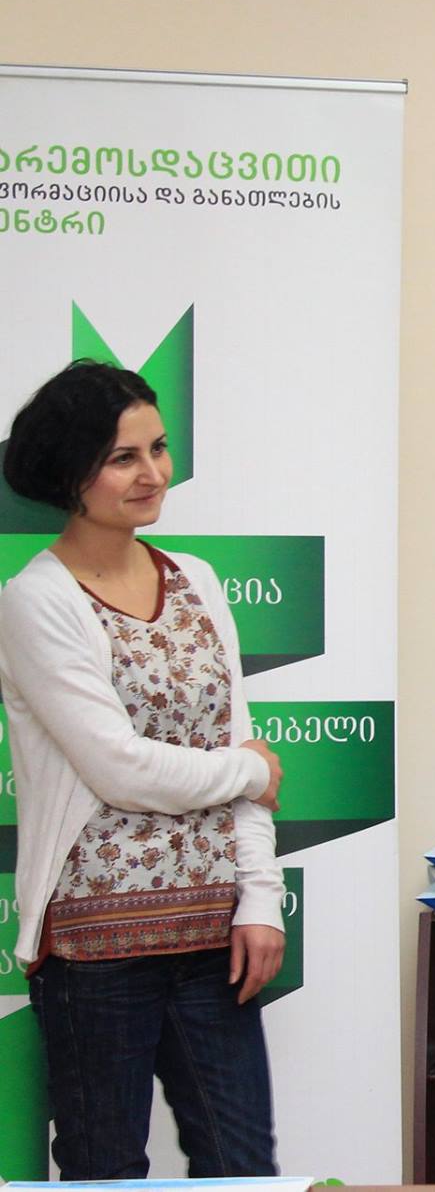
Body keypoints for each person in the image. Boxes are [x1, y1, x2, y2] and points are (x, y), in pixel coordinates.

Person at [0, 360, 288, 1179]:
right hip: (96, 953)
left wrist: (259, 900)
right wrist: (245, 773)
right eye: (123, 458)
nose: (153, 473)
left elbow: (238, 737)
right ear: (70, 472)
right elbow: (119, 768)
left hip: (215, 940)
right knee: (104, 1172)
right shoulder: (35, 600)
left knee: (242, 1168)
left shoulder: (196, 579)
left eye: (158, 449)